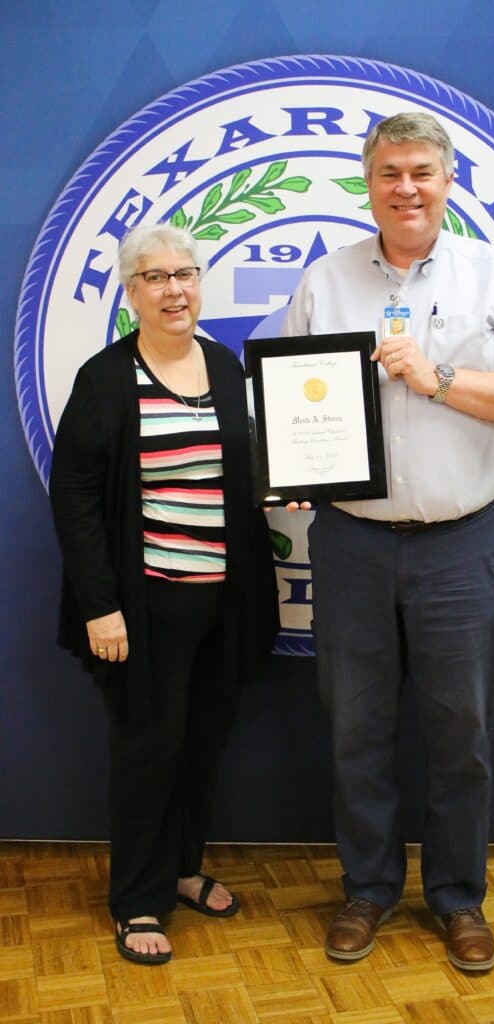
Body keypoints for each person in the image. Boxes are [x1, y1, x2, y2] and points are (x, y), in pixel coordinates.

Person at [282, 112, 494, 972]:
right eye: (388, 173)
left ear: (448, 182)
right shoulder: (325, 281)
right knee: (354, 733)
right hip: (351, 543)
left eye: (420, 172)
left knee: (459, 735)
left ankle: (455, 899)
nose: (404, 188)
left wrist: (436, 377)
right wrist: (294, 458)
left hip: (459, 544)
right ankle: (366, 892)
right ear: (366, 184)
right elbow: (293, 396)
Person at [49, 223, 279, 965]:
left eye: (185, 273)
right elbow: (75, 496)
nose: (175, 289)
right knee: (148, 750)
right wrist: (99, 605)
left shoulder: (223, 365)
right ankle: (138, 902)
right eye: (156, 278)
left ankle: (182, 870)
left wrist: (290, 487)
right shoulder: (107, 377)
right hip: (142, 609)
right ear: (131, 293)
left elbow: (238, 473)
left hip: (224, 604)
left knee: (203, 744)